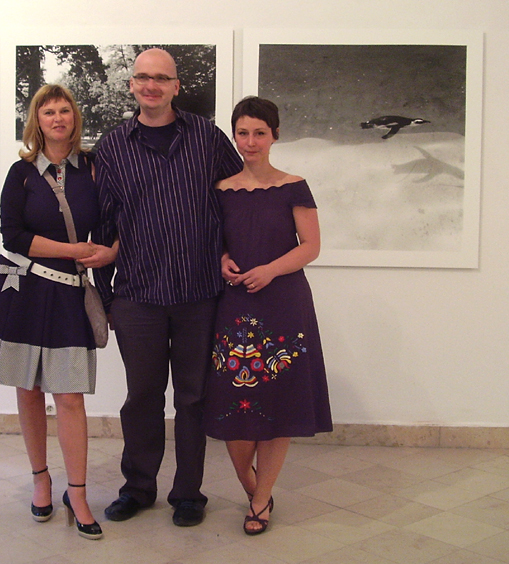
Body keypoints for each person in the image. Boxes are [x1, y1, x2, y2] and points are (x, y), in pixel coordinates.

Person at [87, 48, 243, 527]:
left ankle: (189, 494)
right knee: (142, 398)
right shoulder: (112, 146)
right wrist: (107, 296)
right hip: (138, 296)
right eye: (143, 77)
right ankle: (138, 488)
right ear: (131, 85)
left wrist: (234, 256)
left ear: (176, 86)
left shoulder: (207, 137)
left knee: (193, 398)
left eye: (161, 78)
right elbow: (104, 223)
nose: (151, 86)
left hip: (200, 292)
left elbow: (237, 199)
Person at [0, 84, 117, 540]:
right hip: (24, 289)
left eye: (64, 109)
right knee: (29, 388)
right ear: (37, 120)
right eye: (48, 111)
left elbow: (113, 222)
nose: (57, 118)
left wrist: (109, 254)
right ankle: (41, 480)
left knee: (70, 396)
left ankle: (77, 493)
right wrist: (73, 250)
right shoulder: (21, 173)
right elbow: (12, 235)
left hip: (70, 292)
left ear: (75, 117)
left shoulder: (94, 168)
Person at [204, 96, 333, 535]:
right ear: (234, 136)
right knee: (232, 407)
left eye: (260, 133)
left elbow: (311, 246)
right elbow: (218, 242)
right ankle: (251, 483)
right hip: (234, 304)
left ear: (274, 135)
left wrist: (270, 270)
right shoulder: (221, 189)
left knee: (279, 405)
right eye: (243, 133)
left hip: (283, 304)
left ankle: (261, 499)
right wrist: (223, 259)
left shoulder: (294, 186)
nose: (251, 141)